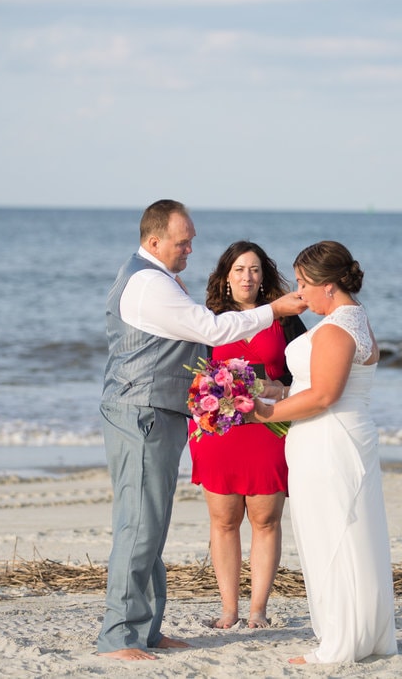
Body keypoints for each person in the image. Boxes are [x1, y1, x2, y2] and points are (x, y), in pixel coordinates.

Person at [97, 200, 307, 661]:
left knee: (150, 528)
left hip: (157, 413)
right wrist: (272, 310)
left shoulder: (154, 277)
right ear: (154, 242)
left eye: (191, 239)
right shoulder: (149, 282)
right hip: (142, 412)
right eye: (182, 240)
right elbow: (210, 330)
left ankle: (146, 631)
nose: (191, 248)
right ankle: (119, 638)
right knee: (138, 526)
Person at [252, 240, 397, 665]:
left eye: (303, 283)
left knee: (331, 536)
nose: (298, 293)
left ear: (329, 286)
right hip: (341, 437)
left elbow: (324, 395)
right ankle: (362, 635)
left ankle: (339, 643)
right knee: (350, 534)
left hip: (329, 441)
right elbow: (319, 387)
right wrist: (278, 390)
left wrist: (267, 413)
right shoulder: (353, 319)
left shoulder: (336, 327)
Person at [188, 241, 307, 630]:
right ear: (224, 278)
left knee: (266, 520)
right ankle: (228, 610)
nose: (247, 276)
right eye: (239, 269)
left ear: (264, 276)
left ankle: (257, 610)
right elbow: (190, 374)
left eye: (254, 269)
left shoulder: (285, 319)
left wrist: (280, 387)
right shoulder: (207, 320)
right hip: (220, 432)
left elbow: (305, 375)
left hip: (268, 427)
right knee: (223, 521)